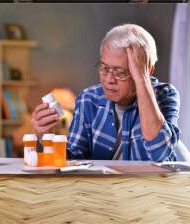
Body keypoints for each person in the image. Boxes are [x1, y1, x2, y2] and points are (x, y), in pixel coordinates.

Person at [31, 24, 180, 161]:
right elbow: (74, 159)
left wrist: (142, 79)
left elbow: (159, 154)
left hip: (149, 187)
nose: (109, 79)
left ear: (148, 71)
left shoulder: (165, 95)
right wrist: (45, 137)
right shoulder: (88, 99)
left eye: (120, 72)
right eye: (104, 68)